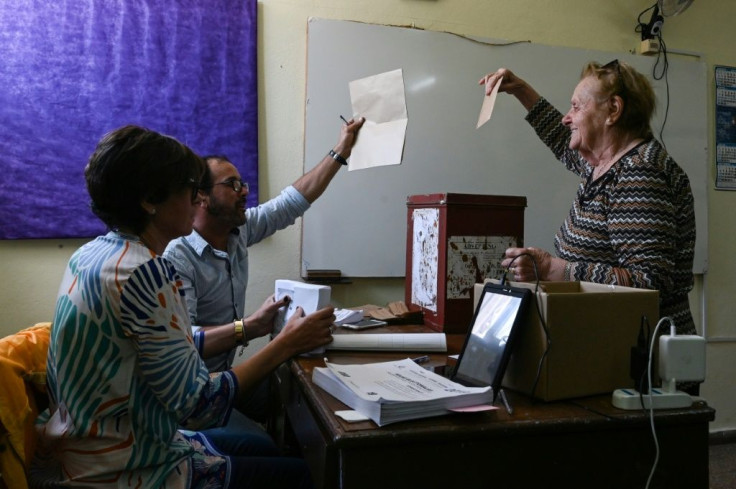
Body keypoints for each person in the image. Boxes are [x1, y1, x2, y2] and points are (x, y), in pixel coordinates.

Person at [30, 125, 334, 488]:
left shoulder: (93, 253)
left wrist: (250, 327)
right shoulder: (146, 272)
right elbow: (199, 405)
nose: (196, 199)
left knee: (268, 450)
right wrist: (286, 344)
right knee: (297, 473)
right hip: (120, 469)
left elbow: (169, 348)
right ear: (150, 200)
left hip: (81, 448)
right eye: (190, 190)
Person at [161, 118, 364, 450]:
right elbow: (187, 341)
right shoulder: (177, 256)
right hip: (193, 396)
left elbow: (291, 203)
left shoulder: (237, 230)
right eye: (233, 184)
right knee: (269, 441)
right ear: (201, 197)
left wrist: (340, 151)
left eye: (243, 183)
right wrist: (250, 327)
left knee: (300, 396)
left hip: (223, 378)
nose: (245, 191)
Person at [479, 60, 696, 337]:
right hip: (613, 342)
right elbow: (560, 137)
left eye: (577, 107)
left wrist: (552, 269)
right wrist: (519, 89)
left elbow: (649, 283)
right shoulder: (604, 165)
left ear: (613, 110)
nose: (567, 117)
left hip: (646, 361)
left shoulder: (639, 173)